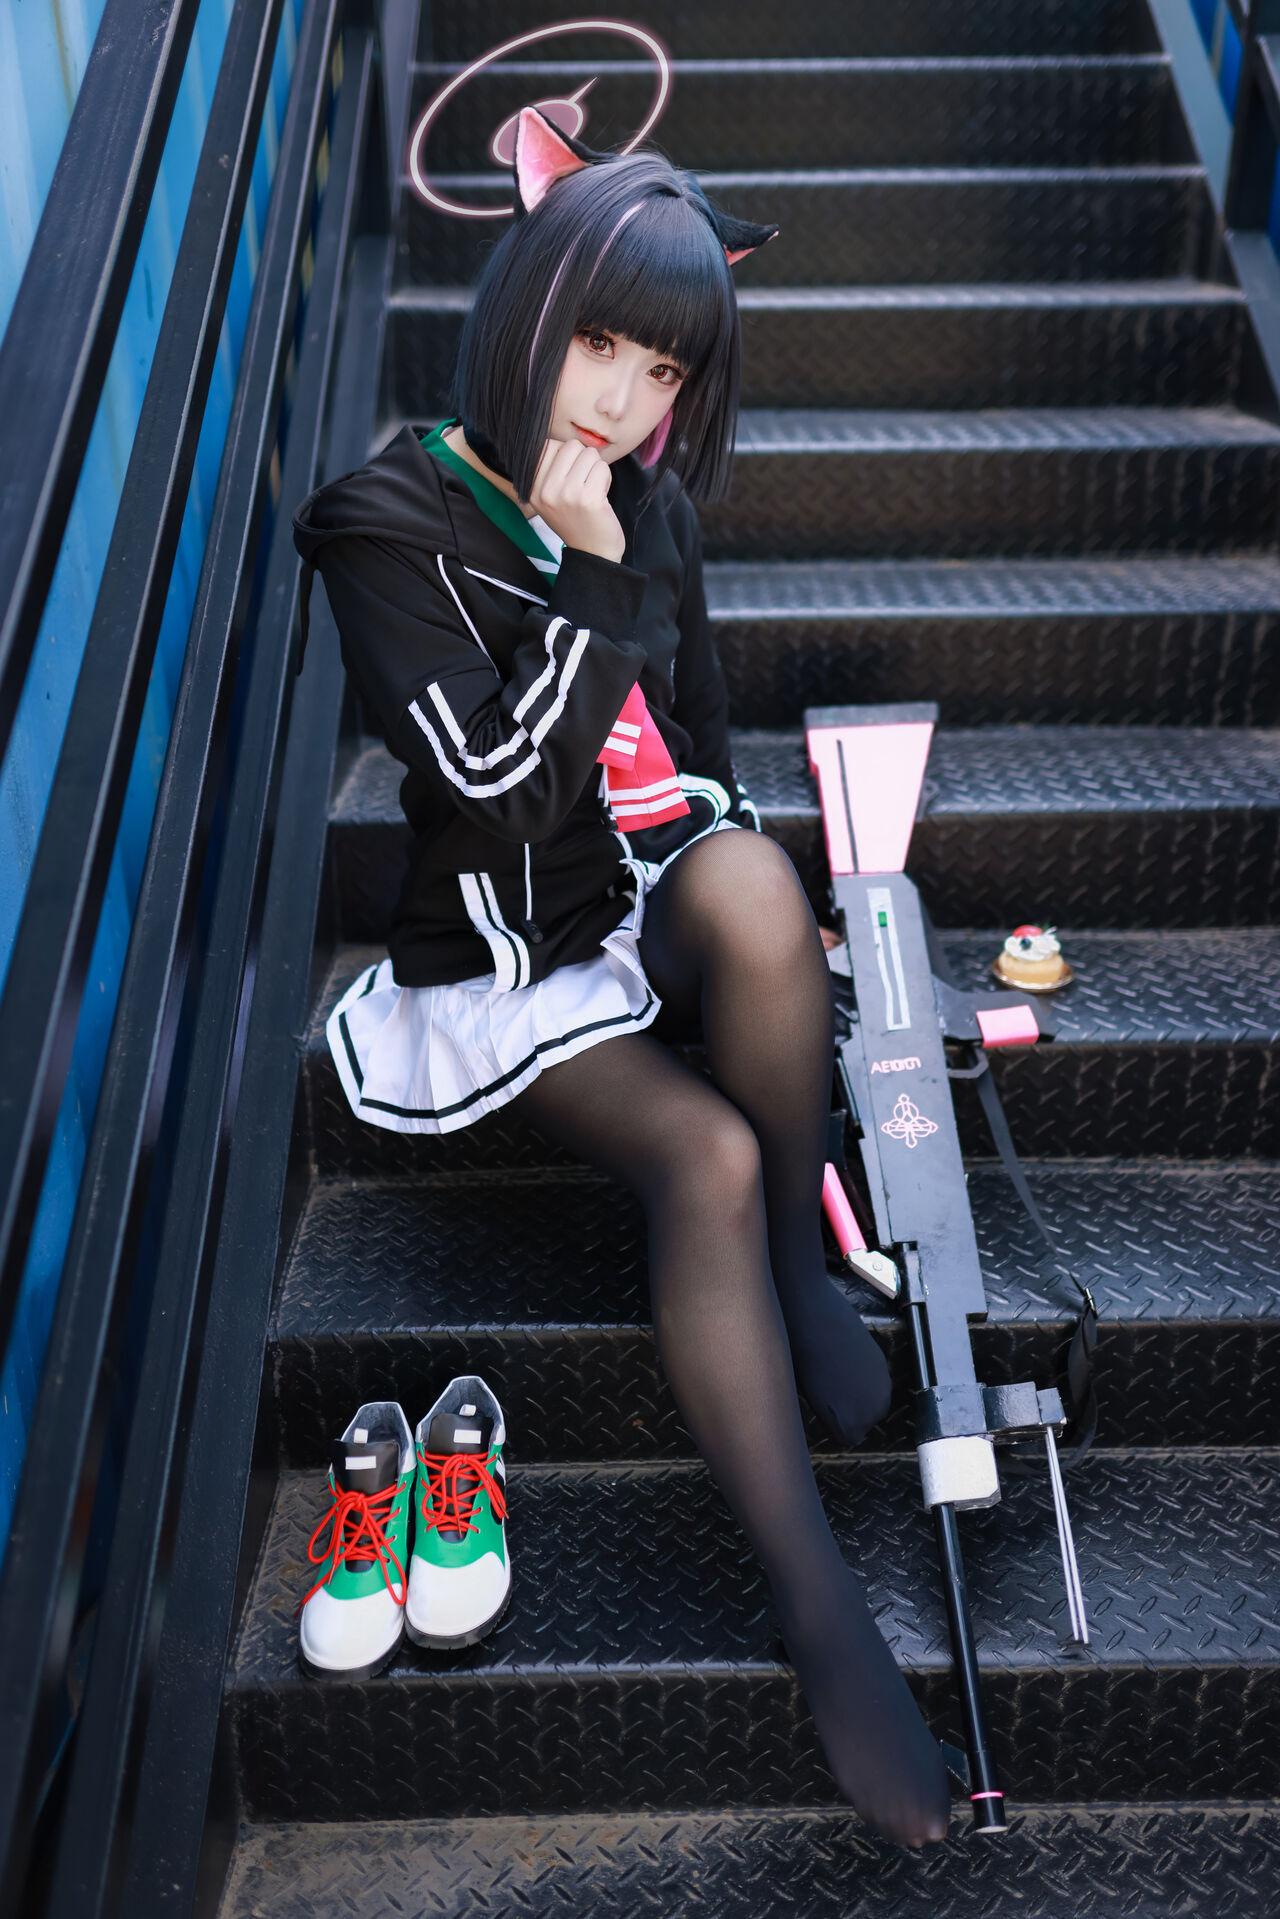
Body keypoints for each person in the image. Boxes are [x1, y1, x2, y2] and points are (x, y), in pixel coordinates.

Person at [291, 105, 952, 1850]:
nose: (623, 399)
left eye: (662, 370)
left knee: (751, 879)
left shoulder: (651, 503)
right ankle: (820, 1611)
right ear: (527, 306)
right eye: (603, 344)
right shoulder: (384, 520)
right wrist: (580, 578)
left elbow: (701, 731)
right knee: (703, 1154)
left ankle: (806, 1243)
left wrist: (751, 868)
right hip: (507, 954)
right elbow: (498, 798)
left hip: (642, 894)